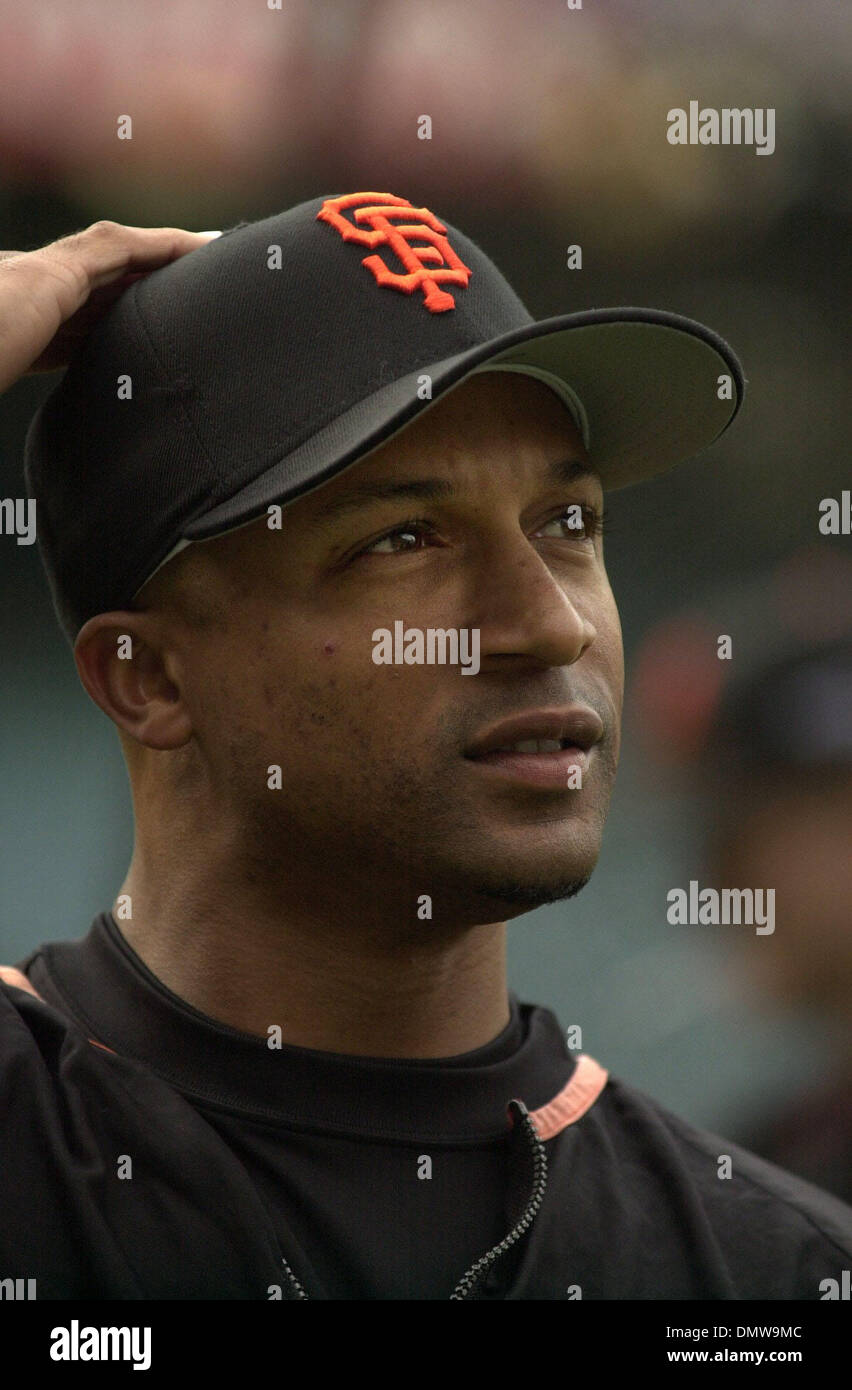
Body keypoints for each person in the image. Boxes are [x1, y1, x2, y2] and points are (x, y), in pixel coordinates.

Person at [1, 194, 850, 1300]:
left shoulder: (771, 1273)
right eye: (404, 538)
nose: (553, 623)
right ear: (149, 677)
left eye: (569, 523)